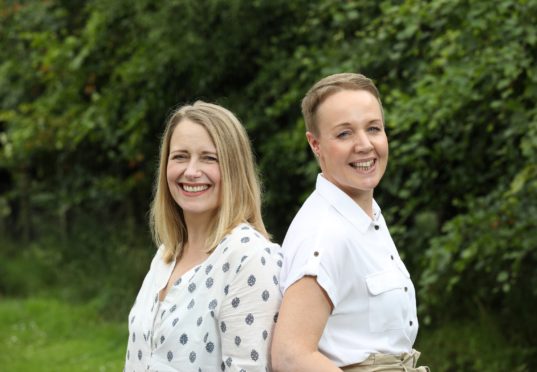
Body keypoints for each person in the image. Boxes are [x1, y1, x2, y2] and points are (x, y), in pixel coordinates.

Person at [271, 73, 429, 372]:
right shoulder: (325, 233)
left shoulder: (363, 217)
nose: (364, 144)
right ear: (315, 144)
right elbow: (291, 356)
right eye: (344, 134)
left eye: (373, 128)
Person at [125, 101, 282, 372]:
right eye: (180, 156)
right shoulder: (166, 254)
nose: (191, 171)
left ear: (234, 169)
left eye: (209, 158)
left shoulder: (250, 257)